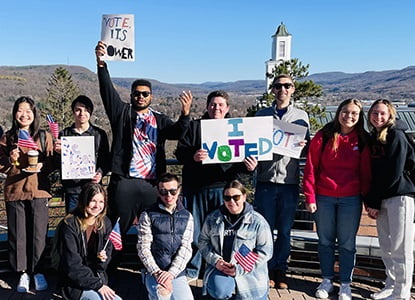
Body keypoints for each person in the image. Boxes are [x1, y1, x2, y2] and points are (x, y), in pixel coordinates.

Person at [94, 41, 193, 237]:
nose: (140, 97)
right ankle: (109, 266)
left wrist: (185, 114)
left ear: (151, 96)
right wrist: (101, 63)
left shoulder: (159, 119)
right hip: (125, 182)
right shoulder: (121, 114)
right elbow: (107, 91)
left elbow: (177, 133)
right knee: (115, 229)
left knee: (154, 231)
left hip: (152, 184)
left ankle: (151, 267)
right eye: (137, 94)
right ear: (131, 95)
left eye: (145, 94)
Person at [175, 90, 257, 280]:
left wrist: (250, 168)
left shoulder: (236, 129)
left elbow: (241, 163)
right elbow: (181, 153)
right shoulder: (195, 127)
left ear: (227, 108)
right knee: (195, 232)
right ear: (207, 106)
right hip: (196, 188)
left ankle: (217, 267)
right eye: (213, 104)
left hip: (224, 189)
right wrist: (193, 156)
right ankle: (193, 269)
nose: (216, 108)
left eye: (220, 105)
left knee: (220, 231)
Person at [303, 99, 372, 300]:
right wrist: (310, 195)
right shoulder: (324, 136)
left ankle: (345, 283)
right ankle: (326, 280)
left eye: (354, 113)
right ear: (338, 113)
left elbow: (366, 173)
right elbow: (311, 168)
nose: (349, 116)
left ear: (359, 117)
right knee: (325, 241)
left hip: (351, 199)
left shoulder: (362, 139)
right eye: (345, 112)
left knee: (347, 243)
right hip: (324, 197)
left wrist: (368, 201)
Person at [254, 74, 309, 288]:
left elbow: (308, 150)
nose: (282, 89)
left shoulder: (301, 116)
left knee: (285, 231)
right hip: (266, 180)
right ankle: (265, 268)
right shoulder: (262, 115)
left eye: (287, 86)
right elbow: (253, 145)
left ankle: (281, 270)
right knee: (264, 230)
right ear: (273, 90)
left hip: (289, 181)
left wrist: (303, 145)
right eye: (278, 86)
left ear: (293, 89)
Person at [0, 96, 55, 293]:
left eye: (28, 111)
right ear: (15, 113)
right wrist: (10, 159)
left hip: (39, 191)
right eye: (20, 110)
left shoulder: (43, 136)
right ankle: (22, 272)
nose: (24, 114)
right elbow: (2, 165)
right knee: (17, 234)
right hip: (15, 191)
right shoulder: (8, 138)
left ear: (34, 114)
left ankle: (38, 270)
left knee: (39, 234)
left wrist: (44, 164)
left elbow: (52, 163)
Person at [364, 99, 415, 300]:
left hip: (400, 197)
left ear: (390, 114)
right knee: (386, 245)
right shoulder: (374, 138)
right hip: (383, 198)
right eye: (375, 113)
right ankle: (391, 284)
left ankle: (401, 292)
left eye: (382, 113)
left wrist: (374, 201)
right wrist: (374, 200)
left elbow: (393, 172)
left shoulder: (396, 135)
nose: (378, 117)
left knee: (401, 247)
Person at [198, 179, 273, 300]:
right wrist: (216, 261)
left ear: (244, 197)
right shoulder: (212, 218)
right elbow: (203, 242)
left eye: (236, 197)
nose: (231, 201)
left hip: (250, 273)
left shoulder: (258, 221)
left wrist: (239, 269)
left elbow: (265, 252)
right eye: (227, 198)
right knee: (220, 292)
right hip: (222, 269)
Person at [56, 182, 122, 300]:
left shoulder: (105, 223)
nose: (97, 206)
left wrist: (103, 260)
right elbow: (72, 265)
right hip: (74, 284)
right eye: (93, 201)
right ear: (84, 201)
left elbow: (102, 267)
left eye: (101, 201)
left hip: (97, 279)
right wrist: (98, 285)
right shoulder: (70, 225)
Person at [137, 173, 194, 300]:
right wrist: (157, 272)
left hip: (176, 272)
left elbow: (186, 248)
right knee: (162, 297)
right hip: (153, 271)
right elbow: (143, 248)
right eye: (164, 191)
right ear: (158, 192)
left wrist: (171, 274)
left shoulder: (187, 216)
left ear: (179, 190)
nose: (168, 195)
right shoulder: (147, 215)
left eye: (173, 191)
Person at [54, 95, 110, 213]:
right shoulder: (64, 134)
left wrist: (100, 173)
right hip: (72, 190)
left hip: (93, 189)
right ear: (73, 112)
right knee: (73, 224)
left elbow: (106, 160)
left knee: (94, 224)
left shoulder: (99, 134)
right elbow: (57, 163)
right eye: (78, 110)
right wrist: (58, 153)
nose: (82, 113)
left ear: (90, 112)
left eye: (86, 110)